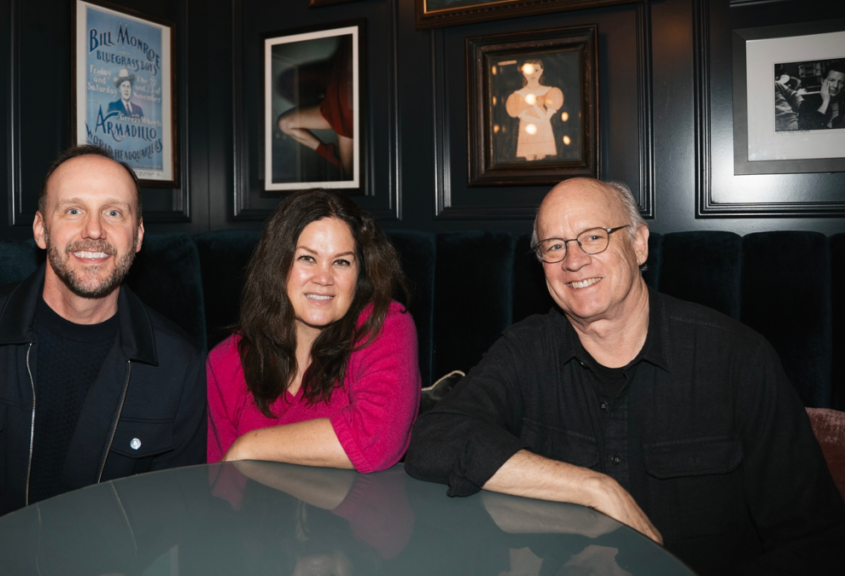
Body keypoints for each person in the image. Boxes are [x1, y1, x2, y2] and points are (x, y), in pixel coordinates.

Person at [405, 178, 845, 574]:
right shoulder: (524, 351)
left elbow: (815, 543)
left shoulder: (737, 359)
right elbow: (434, 439)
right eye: (554, 246)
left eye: (593, 237)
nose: (573, 261)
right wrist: (592, 488)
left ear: (638, 244)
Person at [0, 145, 206, 564]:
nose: (94, 231)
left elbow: (173, 511)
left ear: (137, 236)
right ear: (41, 230)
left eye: (113, 212)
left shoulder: (178, 366)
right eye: (73, 211)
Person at [207, 189, 420, 473]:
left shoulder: (384, 326)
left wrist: (249, 447)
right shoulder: (226, 362)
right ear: (276, 264)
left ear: (359, 273)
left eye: (341, 262)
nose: (324, 278)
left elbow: (375, 439)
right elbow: (221, 486)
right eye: (307, 258)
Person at [277, 37, 354, 176]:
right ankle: (328, 152)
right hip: (333, 104)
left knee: (350, 175)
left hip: (345, 110)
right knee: (284, 123)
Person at [505, 59, 563, 161]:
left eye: (536, 70)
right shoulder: (518, 95)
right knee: (529, 156)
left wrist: (540, 115)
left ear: (541, 71)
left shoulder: (550, 91)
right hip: (527, 129)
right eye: (529, 70)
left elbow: (547, 117)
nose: (533, 74)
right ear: (524, 72)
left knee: (542, 156)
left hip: (543, 130)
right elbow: (521, 115)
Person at [798, 60, 844, 130]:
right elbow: (807, 131)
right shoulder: (807, 104)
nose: (835, 86)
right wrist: (825, 102)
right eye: (831, 80)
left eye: (841, 82)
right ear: (822, 80)